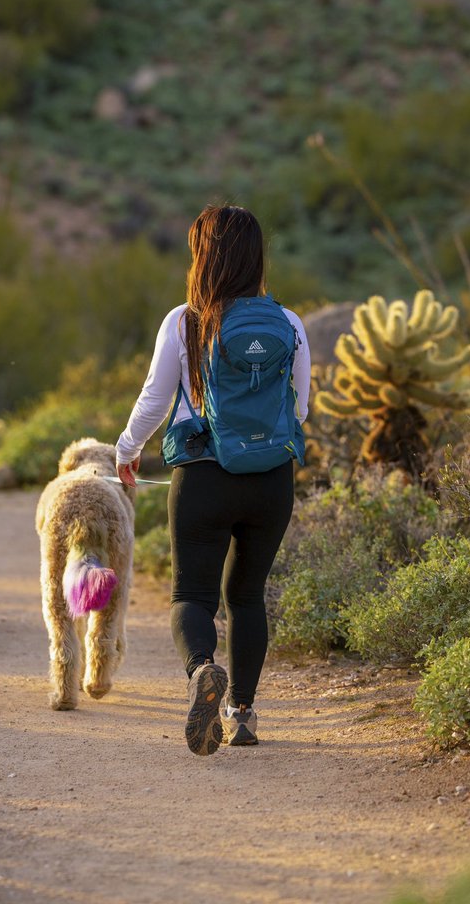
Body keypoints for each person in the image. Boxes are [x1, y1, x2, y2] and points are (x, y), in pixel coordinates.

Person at [116, 205, 310, 756]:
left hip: (202, 476)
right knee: (248, 595)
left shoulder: (185, 320)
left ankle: (203, 670)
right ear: (256, 256)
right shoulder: (289, 324)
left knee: (192, 595)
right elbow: (302, 406)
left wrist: (126, 451)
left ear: (203, 256)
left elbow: (154, 399)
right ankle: (242, 714)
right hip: (272, 480)